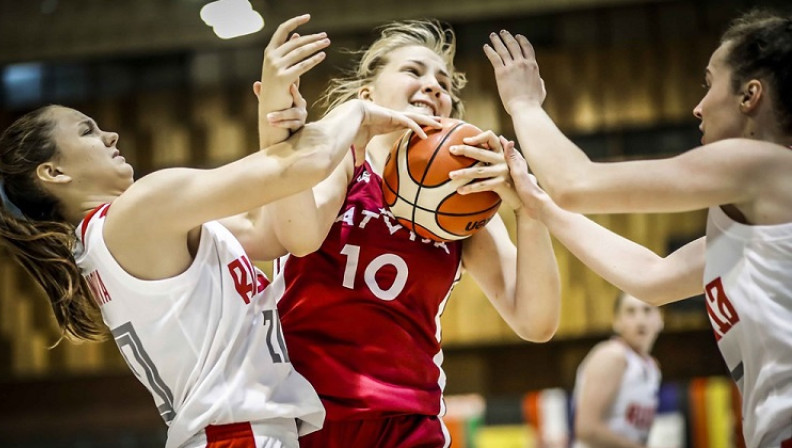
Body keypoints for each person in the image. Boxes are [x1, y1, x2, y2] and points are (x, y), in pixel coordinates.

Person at [0, 15, 439, 448]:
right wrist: (356, 111)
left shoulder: (120, 234)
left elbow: (274, 231)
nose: (109, 135)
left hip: (240, 432)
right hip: (237, 433)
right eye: (87, 131)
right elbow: (301, 166)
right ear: (53, 172)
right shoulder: (141, 210)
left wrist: (277, 116)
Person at [471, 8, 792, 448]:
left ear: (750, 95)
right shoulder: (764, 210)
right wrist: (538, 205)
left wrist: (523, 105)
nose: (698, 105)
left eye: (709, 82)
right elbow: (652, 279)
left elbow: (576, 182)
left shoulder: (763, 166)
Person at [260, 19, 562, 448]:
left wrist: (528, 209)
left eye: (443, 84)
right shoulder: (341, 159)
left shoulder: (465, 199)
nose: (434, 87)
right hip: (304, 415)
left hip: (408, 420)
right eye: (414, 72)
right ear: (367, 96)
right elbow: (299, 236)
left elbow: (537, 321)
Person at [572, 292, 663, 448]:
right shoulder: (612, 356)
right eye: (630, 312)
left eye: (647, 311)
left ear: (660, 320)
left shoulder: (652, 367)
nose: (640, 321)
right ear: (616, 322)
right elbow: (586, 429)